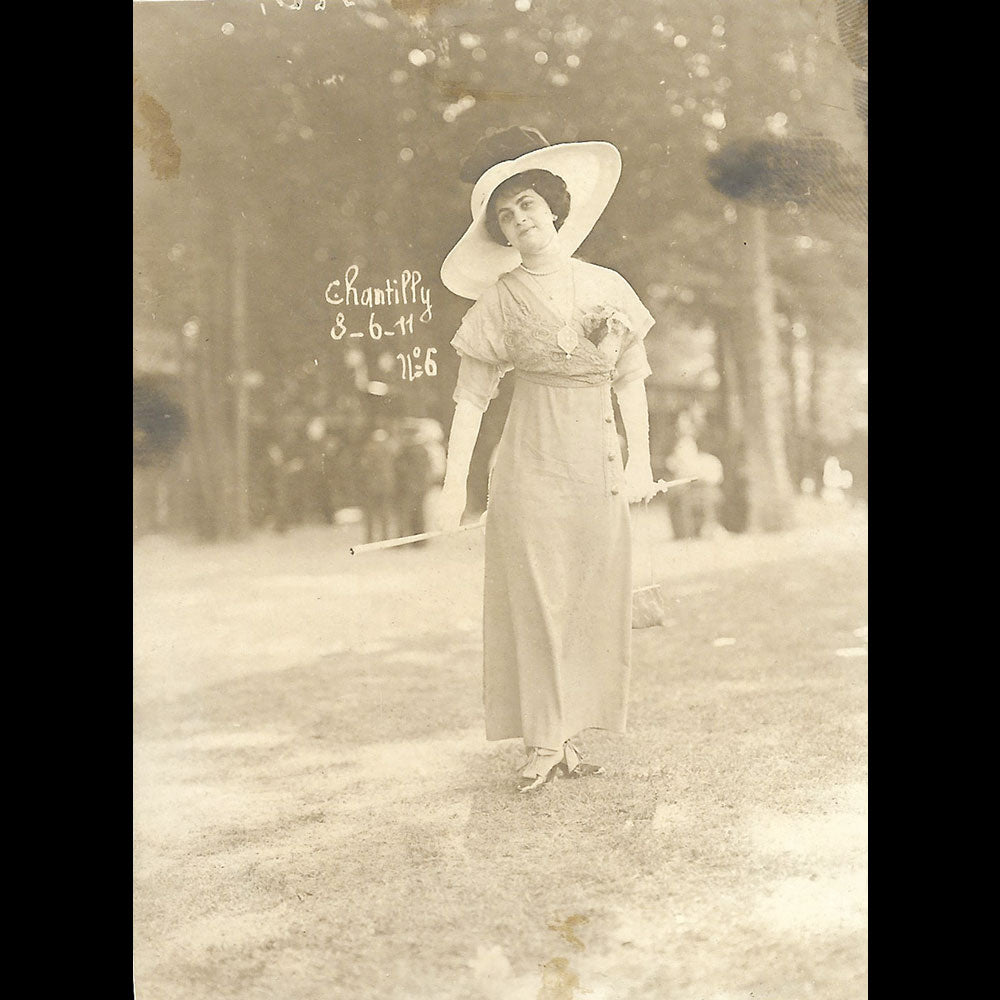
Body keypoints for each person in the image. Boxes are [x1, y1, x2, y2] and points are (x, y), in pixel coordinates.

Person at [435, 126, 659, 792]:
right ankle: (541, 741)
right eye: (506, 215)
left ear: (554, 208)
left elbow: (631, 380)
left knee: (591, 595)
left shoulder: (604, 288)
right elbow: (471, 401)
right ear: (501, 234)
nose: (519, 219)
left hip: (596, 458)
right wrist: (453, 487)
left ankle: (572, 734)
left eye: (527, 203)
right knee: (534, 597)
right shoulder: (501, 301)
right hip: (529, 461)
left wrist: (642, 463)